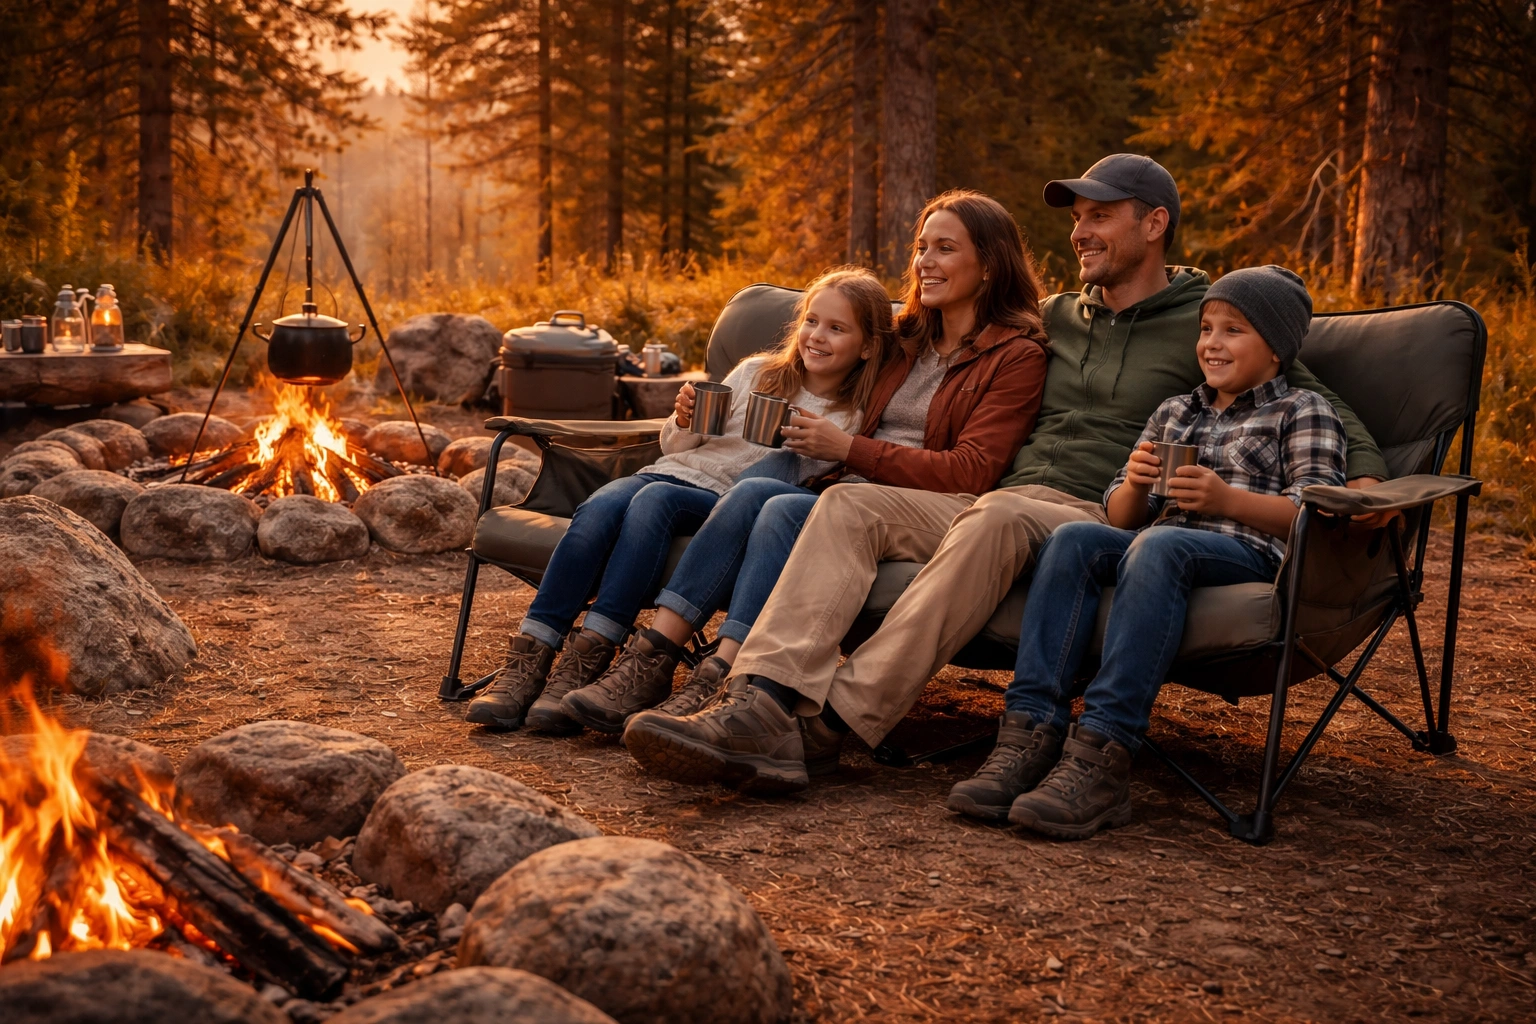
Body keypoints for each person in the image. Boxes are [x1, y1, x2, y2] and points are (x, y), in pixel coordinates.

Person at [622, 154, 1389, 795]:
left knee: (995, 518)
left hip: (1094, 513)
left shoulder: (1204, 314)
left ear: (1154, 224)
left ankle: (832, 725)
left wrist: (1368, 481)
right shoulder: (1056, 316)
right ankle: (757, 702)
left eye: (1100, 215)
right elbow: (923, 322)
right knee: (851, 503)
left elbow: (1310, 390)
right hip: (990, 496)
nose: (1079, 231)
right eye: (1076, 217)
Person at [553, 189, 1053, 738]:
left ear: (989, 264)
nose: (924, 263)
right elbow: (828, 341)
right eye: (921, 247)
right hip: (840, 484)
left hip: (919, 499)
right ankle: (657, 661)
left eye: (945, 249)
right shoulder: (905, 336)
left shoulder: (1016, 356)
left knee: (773, 500)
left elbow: (972, 471)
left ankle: (722, 677)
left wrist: (847, 449)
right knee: (754, 491)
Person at [947, 265, 1345, 838]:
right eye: (1206, 328)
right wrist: (1134, 483)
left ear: (1278, 347)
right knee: (1075, 538)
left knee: (1162, 544)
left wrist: (1226, 498)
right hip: (1156, 546)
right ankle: (1029, 733)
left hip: (1246, 551)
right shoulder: (1175, 411)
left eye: (1234, 330)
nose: (1212, 343)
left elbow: (1316, 513)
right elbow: (1119, 516)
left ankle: (1102, 755)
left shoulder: (1301, 410)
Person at [466, 267, 892, 731]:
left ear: (867, 346)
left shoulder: (846, 420)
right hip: (670, 471)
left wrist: (818, 451)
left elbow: (801, 488)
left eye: (837, 328)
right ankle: (535, 657)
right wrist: (683, 419)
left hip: (727, 502)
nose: (817, 336)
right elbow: (676, 448)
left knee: (655, 502)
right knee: (600, 507)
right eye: (811, 321)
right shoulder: (755, 373)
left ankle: (592, 659)